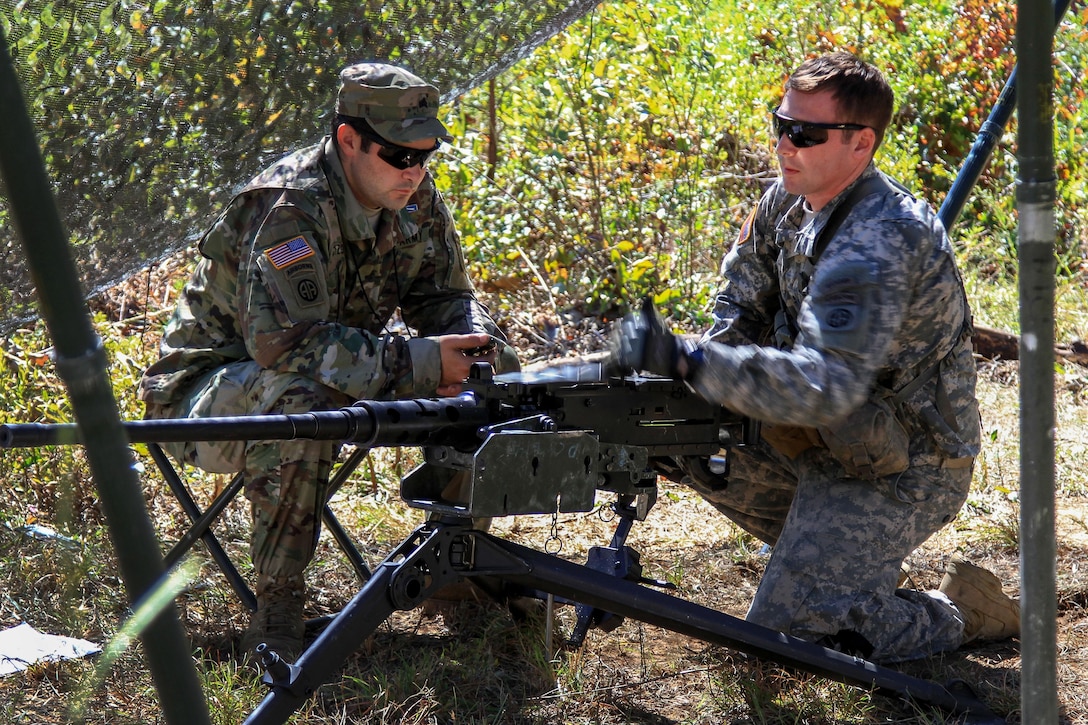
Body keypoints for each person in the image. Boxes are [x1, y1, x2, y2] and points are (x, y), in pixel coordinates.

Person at [611, 51, 1019, 663]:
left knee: (796, 636)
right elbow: (738, 310)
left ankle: (959, 613)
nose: (785, 144)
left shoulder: (882, 238)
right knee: (657, 423)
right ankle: (839, 570)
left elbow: (824, 386)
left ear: (861, 145)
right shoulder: (787, 198)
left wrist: (690, 361)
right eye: (781, 124)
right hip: (803, 434)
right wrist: (686, 376)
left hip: (901, 465)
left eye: (805, 133)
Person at [139, 61, 519, 661]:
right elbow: (284, 345)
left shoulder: (415, 197)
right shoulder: (289, 208)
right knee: (302, 400)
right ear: (348, 140)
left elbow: (446, 300)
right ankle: (279, 612)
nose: (415, 172)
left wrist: (474, 350)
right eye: (399, 156)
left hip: (325, 372)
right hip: (203, 395)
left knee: (493, 378)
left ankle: (456, 567)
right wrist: (420, 364)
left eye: (426, 156)